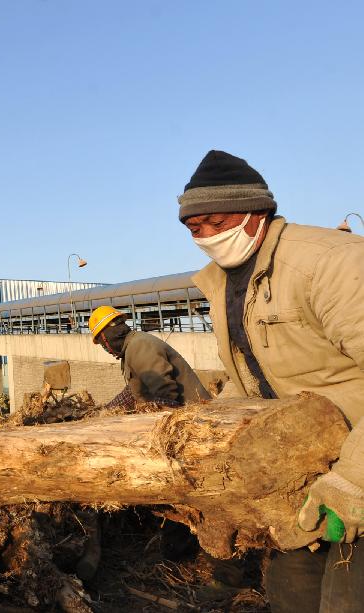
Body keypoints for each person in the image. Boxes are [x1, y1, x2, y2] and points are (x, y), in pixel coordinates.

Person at [179, 150, 364, 612]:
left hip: (354, 463)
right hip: (305, 472)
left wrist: (353, 479)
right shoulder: (223, 283)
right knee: (291, 594)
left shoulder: (330, 263)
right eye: (193, 228)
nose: (205, 237)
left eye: (215, 222)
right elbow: (247, 384)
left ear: (256, 211)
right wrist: (218, 479)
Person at [88, 305, 211, 409]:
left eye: (103, 345)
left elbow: (166, 395)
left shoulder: (139, 346)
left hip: (195, 417)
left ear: (107, 337)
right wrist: (106, 410)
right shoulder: (131, 347)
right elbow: (133, 391)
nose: (106, 350)